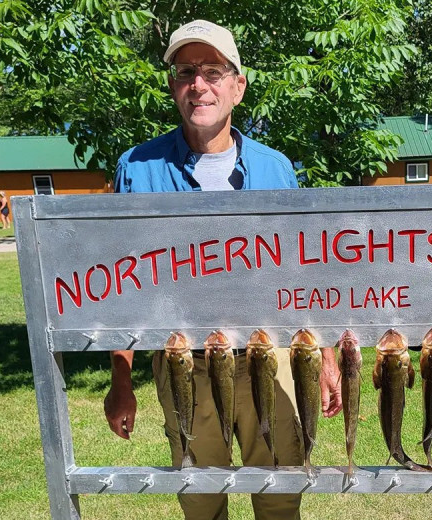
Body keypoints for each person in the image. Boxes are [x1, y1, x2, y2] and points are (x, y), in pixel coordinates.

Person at [104, 20, 342, 520]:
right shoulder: (137, 167)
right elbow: (118, 284)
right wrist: (120, 380)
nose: (199, 84)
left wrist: (323, 354)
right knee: (200, 495)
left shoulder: (277, 168)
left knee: (280, 490)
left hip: (267, 355)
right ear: (172, 84)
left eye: (214, 71)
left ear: (239, 85)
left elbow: (303, 273)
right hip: (181, 361)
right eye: (186, 71)